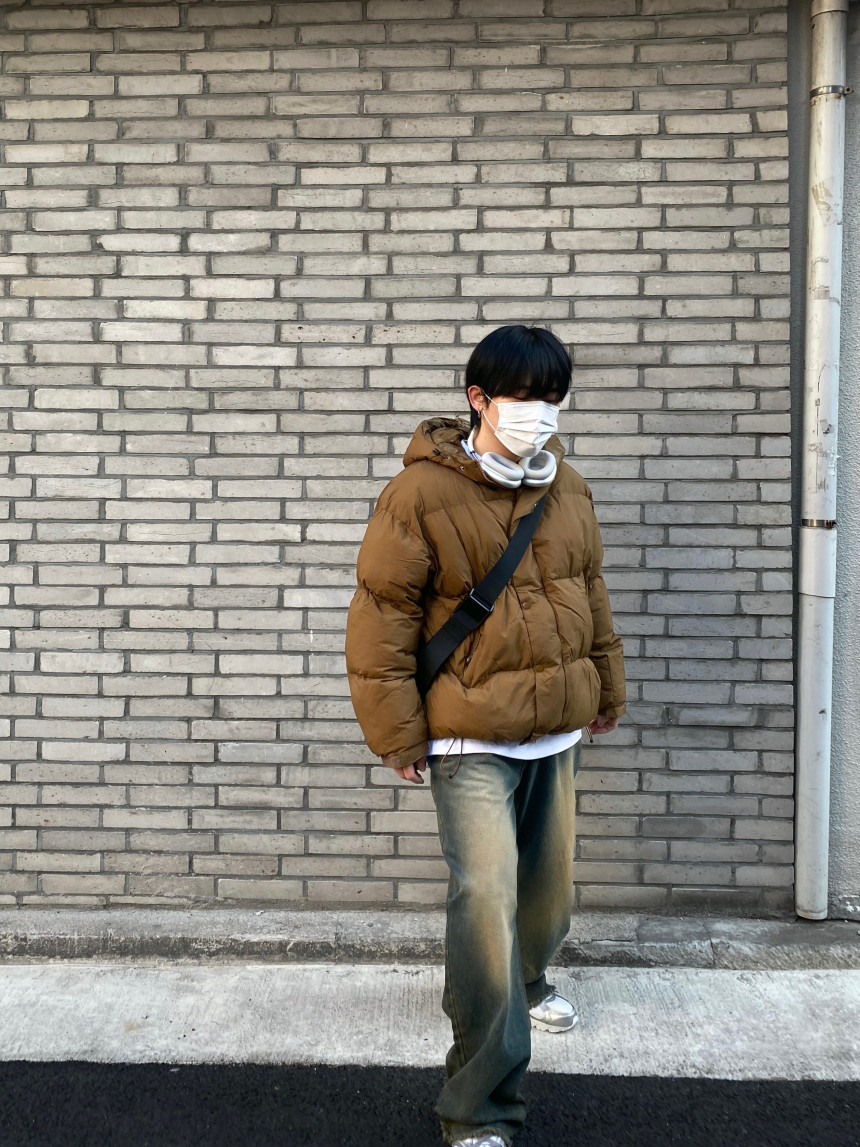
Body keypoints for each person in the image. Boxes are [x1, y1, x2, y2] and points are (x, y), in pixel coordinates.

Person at [345, 324, 627, 1147]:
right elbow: (382, 620)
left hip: (556, 729)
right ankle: (477, 1106)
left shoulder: (567, 486)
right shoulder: (418, 495)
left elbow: (590, 593)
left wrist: (606, 687)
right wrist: (398, 734)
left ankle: (526, 980)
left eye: (554, 398)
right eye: (525, 397)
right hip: (469, 737)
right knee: (486, 900)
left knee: (547, 895)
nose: (542, 413)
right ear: (479, 398)